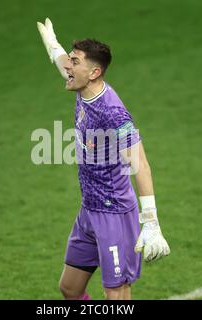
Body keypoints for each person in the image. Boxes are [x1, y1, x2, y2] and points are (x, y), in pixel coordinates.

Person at [36, 18, 170, 300]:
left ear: (94, 72)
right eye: (70, 60)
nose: (68, 66)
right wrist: (52, 44)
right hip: (89, 210)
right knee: (70, 289)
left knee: (116, 295)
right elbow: (62, 64)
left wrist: (151, 223)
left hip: (114, 216)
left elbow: (141, 164)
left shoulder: (113, 113)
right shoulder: (82, 86)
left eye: (75, 62)